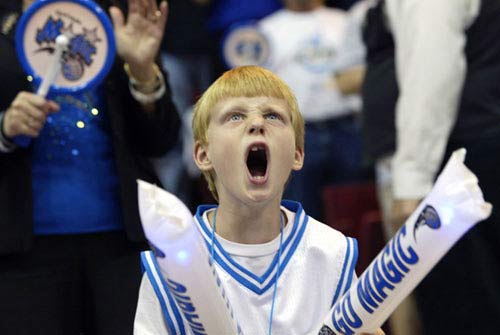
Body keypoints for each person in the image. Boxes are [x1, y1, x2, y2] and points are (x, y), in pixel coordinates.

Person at [134, 66, 383, 335]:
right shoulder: (172, 266)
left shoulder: (331, 254)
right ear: (203, 154)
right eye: (235, 116)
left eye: (273, 116)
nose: (257, 124)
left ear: (298, 154)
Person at [0, 0, 179, 334]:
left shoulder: (112, 32)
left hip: (120, 248)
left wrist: (142, 72)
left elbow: (161, 141)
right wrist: (5, 127)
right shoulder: (5, 38)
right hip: (21, 255)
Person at [362, 0, 500, 333]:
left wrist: (412, 180)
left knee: (461, 308)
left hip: (454, 165)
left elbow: (433, 70)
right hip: (462, 155)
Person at [257, 0, 367, 221]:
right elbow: (259, 91)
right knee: (300, 215)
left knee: (353, 212)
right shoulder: (265, 30)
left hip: (347, 128)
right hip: (296, 132)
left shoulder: (346, 21)